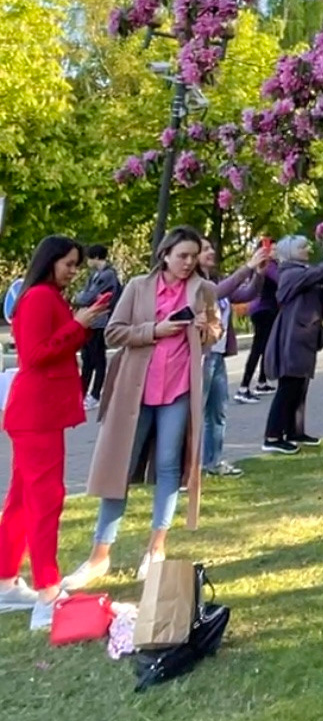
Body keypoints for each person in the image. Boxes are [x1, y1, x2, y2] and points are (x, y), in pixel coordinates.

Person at [68, 225, 220, 588]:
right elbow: (113, 332)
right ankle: (99, 555)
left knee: (169, 465)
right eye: (182, 255)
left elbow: (214, 334)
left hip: (179, 390)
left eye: (193, 256)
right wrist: (156, 329)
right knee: (118, 468)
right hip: (136, 391)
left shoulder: (204, 290)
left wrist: (203, 329)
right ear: (164, 255)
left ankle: (156, 548)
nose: (188, 263)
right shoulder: (138, 287)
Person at [0, 236, 112, 620]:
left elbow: (56, 344)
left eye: (76, 264)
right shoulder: (38, 298)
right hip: (36, 415)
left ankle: (6, 582)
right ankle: (48, 593)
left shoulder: (47, 296)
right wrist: (77, 325)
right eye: (68, 263)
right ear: (49, 261)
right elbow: (34, 356)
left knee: (21, 500)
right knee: (45, 500)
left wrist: (81, 323)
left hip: (37, 415)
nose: (73, 271)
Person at [262, 235, 323, 453]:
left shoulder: (300, 271)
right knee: (289, 386)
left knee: (300, 385)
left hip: (302, 334)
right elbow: (320, 272)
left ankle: (294, 430)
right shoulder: (290, 272)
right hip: (293, 335)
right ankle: (272, 436)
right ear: (289, 252)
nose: (307, 250)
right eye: (302, 247)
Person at [197, 238, 268, 476]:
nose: (211, 251)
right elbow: (216, 294)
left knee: (217, 411)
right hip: (200, 358)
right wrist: (247, 267)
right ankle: (184, 470)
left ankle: (212, 462)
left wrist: (258, 273)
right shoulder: (196, 285)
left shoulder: (215, 281)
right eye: (204, 249)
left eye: (210, 247)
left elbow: (247, 293)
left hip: (216, 357)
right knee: (194, 413)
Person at [75, 244, 122, 406]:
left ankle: (95, 394)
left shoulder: (107, 275)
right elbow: (87, 294)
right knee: (87, 358)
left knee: (97, 358)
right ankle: (82, 393)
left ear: (95, 257)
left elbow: (87, 297)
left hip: (100, 322)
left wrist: (82, 297)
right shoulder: (94, 275)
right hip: (91, 322)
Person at [234, 243, 279, 402]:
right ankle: (243, 387)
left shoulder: (268, 265)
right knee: (258, 348)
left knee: (266, 347)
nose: (276, 251)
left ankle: (261, 382)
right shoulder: (269, 266)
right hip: (263, 310)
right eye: (273, 249)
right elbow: (281, 280)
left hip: (263, 309)